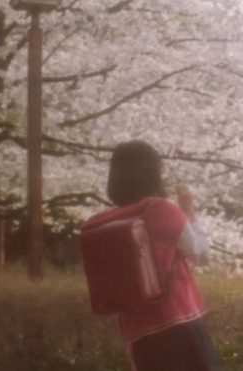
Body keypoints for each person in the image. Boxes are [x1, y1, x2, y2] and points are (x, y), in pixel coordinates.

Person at [88, 140, 221, 371]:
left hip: (135, 329)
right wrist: (188, 210)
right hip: (178, 320)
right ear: (152, 172)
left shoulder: (104, 220)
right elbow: (201, 255)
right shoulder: (160, 209)